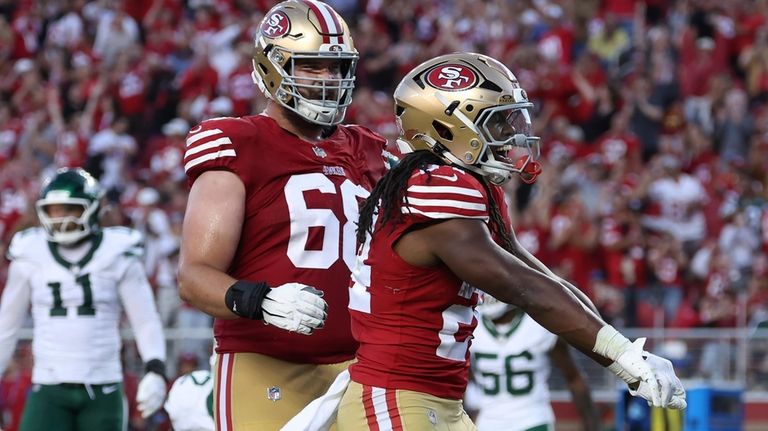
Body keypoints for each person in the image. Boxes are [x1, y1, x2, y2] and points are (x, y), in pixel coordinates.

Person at [335, 52, 685, 430]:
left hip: (437, 402)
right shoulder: (434, 189)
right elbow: (522, 287)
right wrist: (623, 360)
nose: (511, 137)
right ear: (449, 128)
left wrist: (624, 350)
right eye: (497, 124)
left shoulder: (462, 186)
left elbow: (540, 277)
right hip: (396, 396)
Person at [176, 1, 391, 429]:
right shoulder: (238, 142)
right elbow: (194, 277)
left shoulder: (369, 149)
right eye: (312, 66)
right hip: (266, 364)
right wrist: (262, 300)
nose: (328, 79)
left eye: (337, 67)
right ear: (273, 67)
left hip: (360, 367)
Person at [0, 168, 168, 431]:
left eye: (70, 209)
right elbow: (6, 326)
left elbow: (145, 319)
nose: (61, 219)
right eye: (54, 210)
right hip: (48, 386)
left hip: (104, 385)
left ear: (91, 208)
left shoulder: (117, 251)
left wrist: (155, 366)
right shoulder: (30, 252)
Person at [464, 297, 600, 431]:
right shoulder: (473, 326)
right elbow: (462, 380)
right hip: (489, 422)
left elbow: (574, 379)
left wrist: (590, 424)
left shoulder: (538, 324)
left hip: (532, 420)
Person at [164, 356, 215, 431]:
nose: (187, 368)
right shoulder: (177, 384)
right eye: (185, 366)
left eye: (191, 366)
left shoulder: (179, 383)